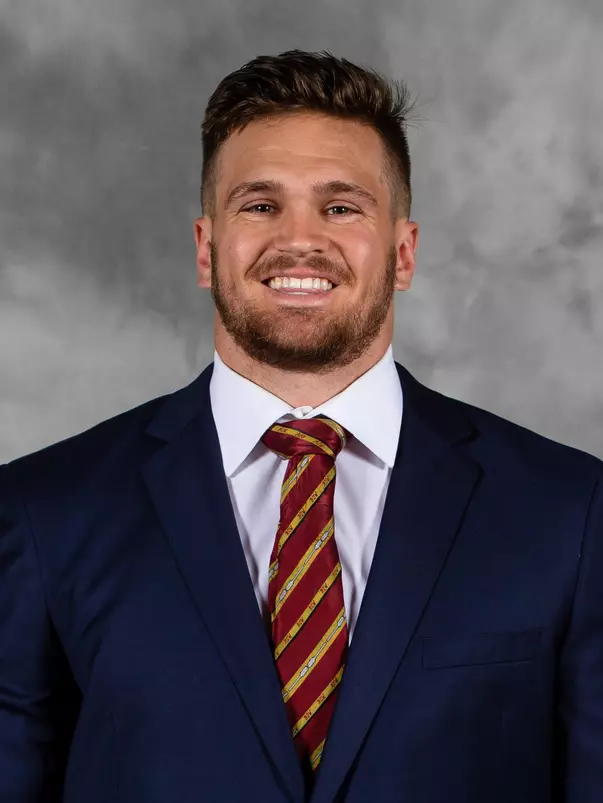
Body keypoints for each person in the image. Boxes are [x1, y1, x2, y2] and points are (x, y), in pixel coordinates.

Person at [0, 48, 602, 803]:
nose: (299, 239)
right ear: (205, 247)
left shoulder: (568, 510)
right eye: (259, 204)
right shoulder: (43, 510)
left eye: (341, 206)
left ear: (403, 251)